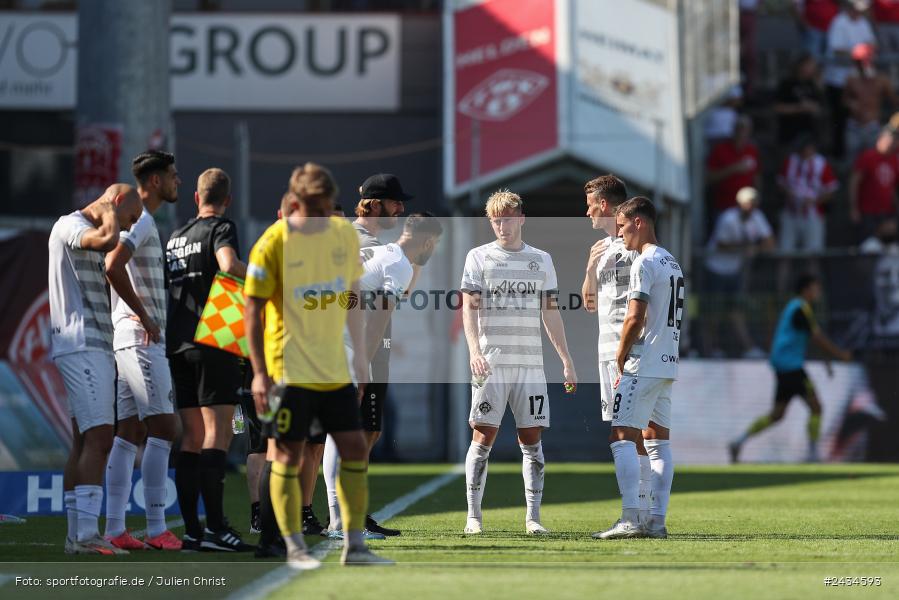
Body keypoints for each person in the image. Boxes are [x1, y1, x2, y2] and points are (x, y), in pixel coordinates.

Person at [245, 163, 393, 567]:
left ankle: (355, 546)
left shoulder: (342, 236)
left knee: (353, 451)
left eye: (325, 205)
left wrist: (360, 359)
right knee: (287, 456)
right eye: (313, 206)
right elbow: (252, 310)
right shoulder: (272, 243)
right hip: (287, 370)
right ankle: (286, 544)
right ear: (295, 202)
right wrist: (259, 373)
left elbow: (350, 299)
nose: (321, 214)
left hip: (335, 369)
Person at [461, 190, 577, 536]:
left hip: (530, 366)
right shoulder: (478, 258)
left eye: (508, 218)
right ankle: (474, 517)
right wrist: (474, 352)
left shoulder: (541, 259)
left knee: (532, 441)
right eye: (496, 220)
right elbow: (468, 307)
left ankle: (533, 518)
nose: (502, 226)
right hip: (491, 365)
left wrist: (566, 359)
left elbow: (550, 312)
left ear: (521, 218)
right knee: (482, 439)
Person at [49, 184, 142, 554]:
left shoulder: (86, 226)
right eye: (129, 218)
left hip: (90, 343)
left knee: (85, 440)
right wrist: (108, 210)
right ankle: (87, 535)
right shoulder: (69, 225)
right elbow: (105, 239)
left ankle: (77, 535)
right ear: (117, 203)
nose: (127, 228)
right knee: (101, 438)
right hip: (82, 343)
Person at [322, 173, 413, 538]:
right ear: (374, 204)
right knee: (355, 434)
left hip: (328, 347)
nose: (400, 208)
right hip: (360, 353)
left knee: (347, 433)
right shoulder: (390, 255)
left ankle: (337, 517)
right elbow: (380, 314)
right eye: (394, 202)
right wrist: (365, 361)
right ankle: (344, 517)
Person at [165, 168, 251, 552]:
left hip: (178, 342)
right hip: (214, 336)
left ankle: (193, 531)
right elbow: (229, 264)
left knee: (192, 437)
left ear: (196, 198)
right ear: (226, 200)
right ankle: (216, 527)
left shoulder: (176, 237)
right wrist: (265, 282)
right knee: (219, 432)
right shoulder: (221, 227)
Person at [102, 151, 182, 551]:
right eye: (172, 176)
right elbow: (113, 265)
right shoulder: (145, 220)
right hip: (140, 339)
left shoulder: (142, 220)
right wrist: (145, 318)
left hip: (128, 337)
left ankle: (115, 528)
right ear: (153, 182)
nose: (177, 182)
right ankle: (155, 529)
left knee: (129, 432)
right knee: (167, 429)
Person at [594, 196, 683, 541]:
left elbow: (635, 316)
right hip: (667, 363)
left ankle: (631, 518)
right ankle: (656, 522)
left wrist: (620, 354)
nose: (620, 232)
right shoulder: (672, 261)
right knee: (658, 443)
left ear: (639, 222)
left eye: (622, 225)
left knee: (621, 437)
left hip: (643, 363)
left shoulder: (643, 262)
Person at [581, 175, 654, 525]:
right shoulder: (604, 247)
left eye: (591, 205)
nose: (587, 213)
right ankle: (643, 513)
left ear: (605, 205)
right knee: (627, 431)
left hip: (630, 350)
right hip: (608, 350)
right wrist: (590, 268)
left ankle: (637, 514)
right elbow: (589, 302)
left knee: (626, 432)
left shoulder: (636, 245)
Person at [729, 274, 852, 463]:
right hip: (792, 367)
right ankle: (812, 456)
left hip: (783, 366)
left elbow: (808, 338)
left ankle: (738, 442)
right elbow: (817, 338)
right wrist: (840, 355)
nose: (818, 292)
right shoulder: (801, 309)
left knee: (777, 414)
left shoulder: (795, 308)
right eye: (815, 288)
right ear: (806, 290)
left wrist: (826, 361)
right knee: (816, 407)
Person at [703, 187, 775, 358]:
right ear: (740, 203)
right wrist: (746, 248)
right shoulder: (728, 218)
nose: (750, 206)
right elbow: (721, 244)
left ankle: (747, 348)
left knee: (736, 309)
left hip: (734, 270)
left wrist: (755, 248)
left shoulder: (757, 217)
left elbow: (770, 242)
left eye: (753, 203)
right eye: (747, 203)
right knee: (714, 310)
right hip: (716, 269)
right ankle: (711, 349)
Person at [824, 0, 876, 158]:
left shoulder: (863, 22)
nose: (860, 12)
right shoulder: (839, 22)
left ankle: (862, 157)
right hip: (838, 80)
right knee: (840, 120)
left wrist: (866, 51)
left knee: (860, 118)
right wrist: (858, 53)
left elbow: (872, 44)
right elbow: (837, 49)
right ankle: (840, 156)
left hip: (859, 80)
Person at [777, 136, 838, 252]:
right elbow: (780, 183)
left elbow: (831, 190)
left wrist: (814, 201)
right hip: (791, 212)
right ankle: (784, 270)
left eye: (809, 149)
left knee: (813, 251)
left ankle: (812, 271)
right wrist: (788, 193)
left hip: (813, 213)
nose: (807, 152)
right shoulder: (790, 161)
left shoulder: (821, 164)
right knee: (785, 249)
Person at [843, 43, 899, 161]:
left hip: (873, 127)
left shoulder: (881, 80)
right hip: (854, 126)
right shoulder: (851, 79)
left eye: (862, 61)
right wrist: (851, 104)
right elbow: (844, 99)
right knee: (852, 161)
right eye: (858, 62)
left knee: (874, 160)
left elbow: (894, 101)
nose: (860, 65)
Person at [850, 127, 899, 239]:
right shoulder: (868, 156)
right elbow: (854, 182)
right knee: (869, 245)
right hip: (868, 212)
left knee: (889, 246)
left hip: (887, 211)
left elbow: (893, 188)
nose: (892, 144)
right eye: (890, 140)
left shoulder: (894, 160)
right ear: (880, 139)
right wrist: (854, 208)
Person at [706, 116, 760, 217]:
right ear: (733, 129)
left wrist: (756, 199)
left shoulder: (752, 150)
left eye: (745, 129)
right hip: (724, 206)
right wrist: (734, 169)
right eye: (739, 128)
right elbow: (709, 177)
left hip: (746, 207)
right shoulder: (720, 150)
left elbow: (756, 177)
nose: (742, 132)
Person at [774, 53, 826, 145]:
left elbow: (820, 108)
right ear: (801, 66)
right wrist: (800, 108)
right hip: (790, 135)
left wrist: (819, 89)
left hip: (809, 137)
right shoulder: (787, 84)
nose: (813, 68)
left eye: (814, 66)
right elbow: (777, 108)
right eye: (810, 65)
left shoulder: (813, 85)